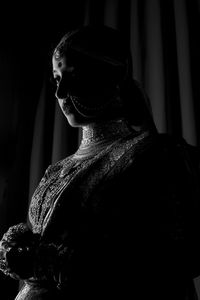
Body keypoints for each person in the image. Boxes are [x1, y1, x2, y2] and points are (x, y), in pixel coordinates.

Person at [0, 25, 199, 300]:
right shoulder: (58, 169)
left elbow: (176, 260)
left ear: (114, 77)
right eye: (56, 79)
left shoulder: (157, 155)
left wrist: (60, 264)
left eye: (73, 76)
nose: (60, 93)